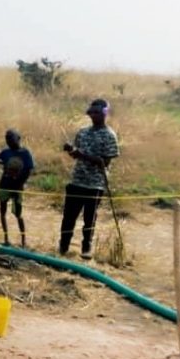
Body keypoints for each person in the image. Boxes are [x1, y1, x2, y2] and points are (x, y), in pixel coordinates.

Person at [60, 99, 119, 260]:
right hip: (77, 180)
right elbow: (76, 156)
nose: (93, 116)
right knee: (68, 217)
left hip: (95, 184)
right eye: (91, 113)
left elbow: (104, 162)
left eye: (96, 113)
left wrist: (82, 155)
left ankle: (86, 247)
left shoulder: (109, 135)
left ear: (104, 114)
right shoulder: (82, 132)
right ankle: (63, 246)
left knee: (89, 219)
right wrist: (71, 150)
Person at [0, 129, 35, 246]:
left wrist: (21, 182)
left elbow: (29, 170)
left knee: (18, 214)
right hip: (4, 184)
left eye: (11, 139)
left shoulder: (25, 153)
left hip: (17, 187)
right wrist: (4, 164)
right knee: (2, 211)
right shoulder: (6, 152)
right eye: (7, 139)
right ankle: (6, 238)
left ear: (18, 138)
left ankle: (23, 240)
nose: (9, 142)